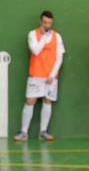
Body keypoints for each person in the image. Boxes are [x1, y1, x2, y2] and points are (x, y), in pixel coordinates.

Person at [14, 10, 65, 142]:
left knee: (47, 101)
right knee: (30, 101)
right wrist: (43, 37)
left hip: (50, 77)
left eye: (49, 23)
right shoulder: (32, 34)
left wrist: (52, 75)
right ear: (40, 22)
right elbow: (36, 50)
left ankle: (43, 131)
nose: (47, 26)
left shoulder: (57, 37)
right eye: (44, 23)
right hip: (35, 75)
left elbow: (59, 57)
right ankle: (24, 131)